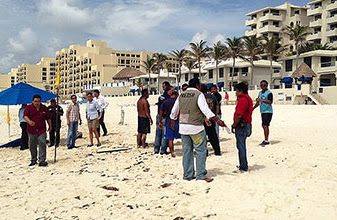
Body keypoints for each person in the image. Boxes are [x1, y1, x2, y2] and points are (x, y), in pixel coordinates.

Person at [170, 78, 226, 182]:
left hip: (183, 128)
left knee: (187, 152)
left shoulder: (181, 94)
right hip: (196, 128)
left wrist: (173, 121)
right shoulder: (199, 94)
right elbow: (205, 110)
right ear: (197, 85)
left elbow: (174, 111)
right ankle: (201, 174)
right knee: (200, 151)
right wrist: (217, 120)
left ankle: (188, 175)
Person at [24, 95, 52, 167]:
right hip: (31, 130)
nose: (37, 103)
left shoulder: (44, 108)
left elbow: (48, 118)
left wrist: (50, 126)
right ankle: (33, 160)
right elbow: (25, 116)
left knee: (42, 144)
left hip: (41, 129)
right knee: (32, 145)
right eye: (35, 101)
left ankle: (42, 160)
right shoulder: (28, 108)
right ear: (33, 101)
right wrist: (29, 121)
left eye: (38, 101)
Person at [231, 83, 253, 172]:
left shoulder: (243, 100)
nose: (235, 93)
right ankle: (243, 164)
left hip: (241, 125)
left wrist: (234, 124)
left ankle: (243, 166)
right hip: (247, 124)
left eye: (236, 91)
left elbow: (239, 115)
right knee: (242, 145)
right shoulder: (248, 99)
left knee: (241, 146)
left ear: (241, 91)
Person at [201, 84, 223, 156]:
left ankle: (205, 152)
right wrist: (215, 116)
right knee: (213, 136)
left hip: (202, 119)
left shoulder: (200, 97)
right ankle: (217, 151)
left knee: (203, 137)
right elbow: (217, 106)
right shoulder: (212, 96)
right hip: (212, 118)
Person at [159, 89, 180, 157]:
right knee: (183, 137)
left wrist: (160, 121)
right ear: (176, 95)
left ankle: (172, 153)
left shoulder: (166, 102)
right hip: (178, 121)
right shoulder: (178, 102)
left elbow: (161, 112)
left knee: (170, 139)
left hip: (168, 121)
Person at [253, 80, 273, 146]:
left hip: (268, 111)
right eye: (261, 85)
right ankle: (266, 139)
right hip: (262, 111)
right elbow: (258, 102)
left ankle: (266, 140)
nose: (263, 86)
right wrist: (252, 108)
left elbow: (270, 101)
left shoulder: (269, 93)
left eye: (264, 85)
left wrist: (262, 100)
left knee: (265, 125)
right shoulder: (260, 93)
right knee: (264, 125)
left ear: (267, 86)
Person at [154, 81, 171, 154]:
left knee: (158, 134)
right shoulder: (167, 98)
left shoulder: (160, 97)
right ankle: (163, 150)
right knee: (164, 134)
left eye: (163, 86)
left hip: (158, 116)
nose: (163, 88)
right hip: (164, 116)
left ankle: (156, 149)